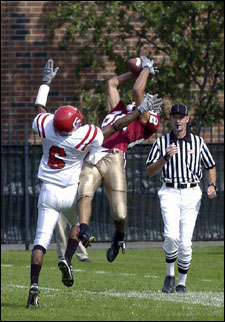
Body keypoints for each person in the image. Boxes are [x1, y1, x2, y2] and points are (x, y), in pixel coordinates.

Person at [26, 58, 162, 308]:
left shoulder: (47, 127)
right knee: (79, 219)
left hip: (55, 186)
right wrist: (142, 73)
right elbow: (118, 119)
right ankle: (70, 255)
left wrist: (46, 81)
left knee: (40, 240)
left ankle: (34, 284)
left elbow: (39, 108)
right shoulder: (84, 134)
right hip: (72, 183)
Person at [77, 56, 161, 263]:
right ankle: (85, 231)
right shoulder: (119, 110)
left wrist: (146, 70)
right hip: (95, 153)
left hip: (115, 157)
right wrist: (135, 71)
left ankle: (119, 236)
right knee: (84, 191)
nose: (144, 98)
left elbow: (136, 91)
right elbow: (112, 84)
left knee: (121, 214)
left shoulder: (148, 120)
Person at [146, 103, 217, 293]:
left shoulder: (198, 142)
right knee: (171, 235)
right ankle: (170, 276)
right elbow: (149, 171)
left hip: (192, 192)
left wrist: (212, 185)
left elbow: (210, 165)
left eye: (181, 117)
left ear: (187, 119)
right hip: (169, 191)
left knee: (185, 243)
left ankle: (182, 283)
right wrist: (165, 158)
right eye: (174, 117)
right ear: (170, 119)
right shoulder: (161, 143)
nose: (178, 120)